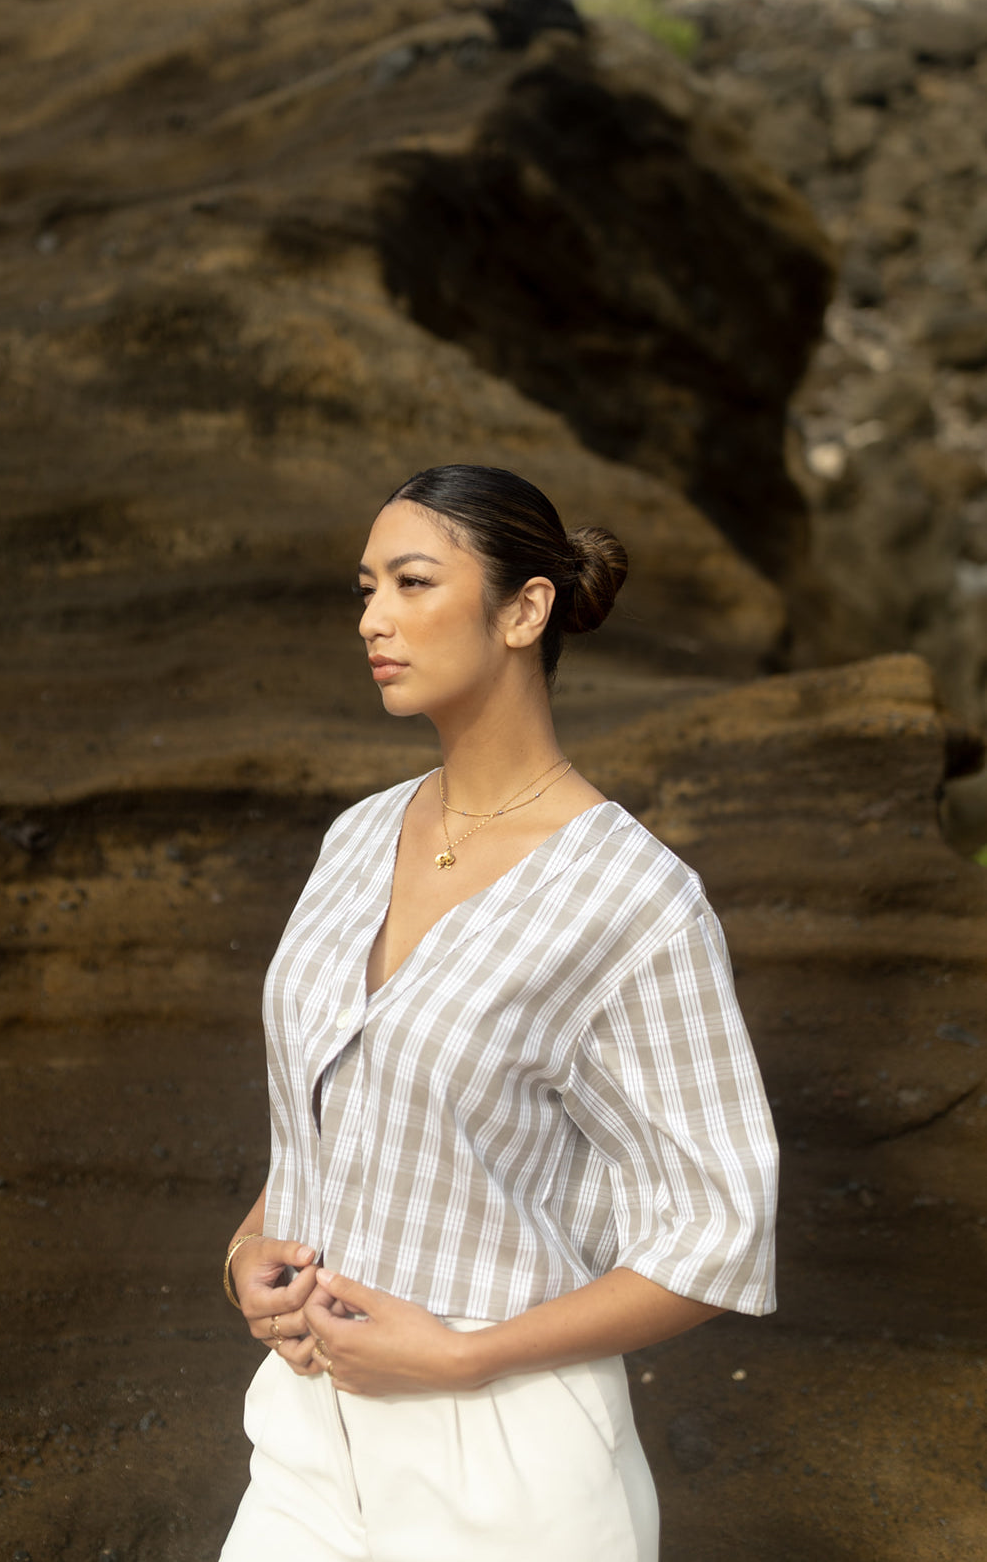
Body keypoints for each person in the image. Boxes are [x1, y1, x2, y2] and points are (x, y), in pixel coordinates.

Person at [218, 464, 778, 1562]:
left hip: (507, 1464)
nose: (373, 618)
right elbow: (348, 1114)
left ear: (525, 610)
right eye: (366, 589)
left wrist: (465, 1356)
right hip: (304, 1435)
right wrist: (249, 1245)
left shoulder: (635, 898)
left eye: (413, 582)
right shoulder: (356, 838)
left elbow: (724, 1229)